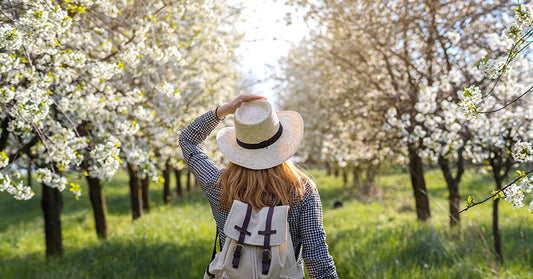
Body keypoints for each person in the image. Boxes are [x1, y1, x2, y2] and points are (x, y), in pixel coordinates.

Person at [179, 94, 338, 278]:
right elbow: (318, 262)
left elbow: (187, 140)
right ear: (281, 144)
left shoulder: (219, 186)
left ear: (239, 146)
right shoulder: (301, 191)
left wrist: (223, 111)